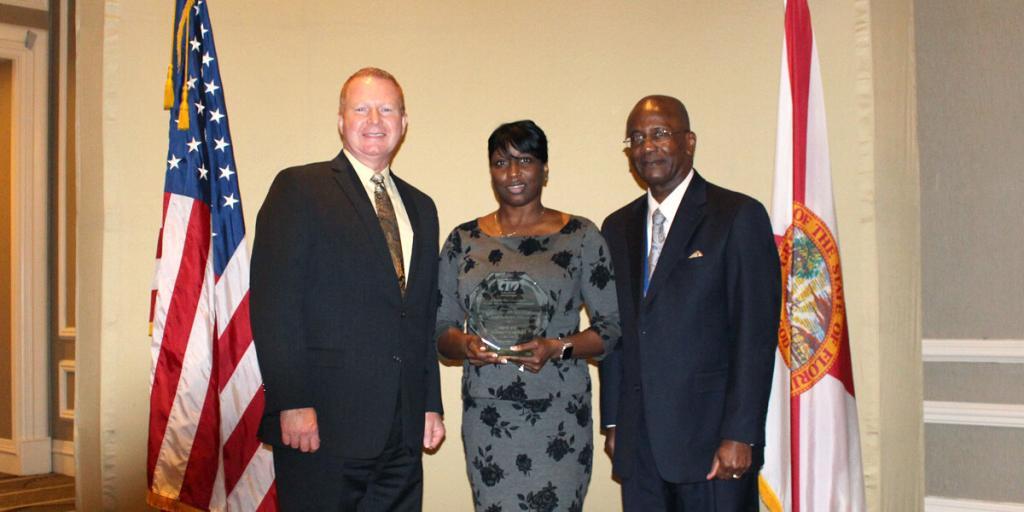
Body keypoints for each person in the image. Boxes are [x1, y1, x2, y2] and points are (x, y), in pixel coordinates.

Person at [250, 67, 445, 511]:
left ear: (404, 122)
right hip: (323, 426)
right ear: (341, 120)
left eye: (387, 109)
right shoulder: (299, 187)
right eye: (361, 108)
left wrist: (429, 403)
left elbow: (420, 317)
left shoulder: (422, 207)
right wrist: (292, 399)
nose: (374, 119)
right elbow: (274, 304)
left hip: (401, 430)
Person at [599, 95, 781, 511]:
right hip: (639, 443)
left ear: (690, 141)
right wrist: (614, 420)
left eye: (660, 133)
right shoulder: (617, 226)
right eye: (637, 138)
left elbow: (755, 334)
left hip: (712, 444)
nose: (647, 147)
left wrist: (741, 433)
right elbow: (617, 328)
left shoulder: (736, 216)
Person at [436, 120, 621, 512]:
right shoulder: (462, 240)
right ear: (491, 171)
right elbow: (441, 330)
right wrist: (465, 345)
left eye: (525, 160)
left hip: (559, 415)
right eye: (501, 162)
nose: (513, 173)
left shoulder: (582, 236)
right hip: (489, 416)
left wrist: (557, 348)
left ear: (545, 169)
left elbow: (611, 328)